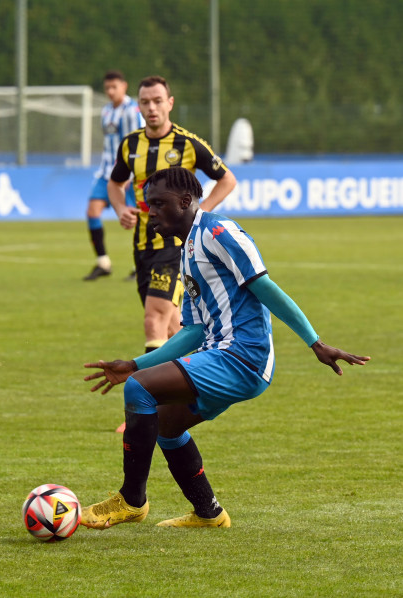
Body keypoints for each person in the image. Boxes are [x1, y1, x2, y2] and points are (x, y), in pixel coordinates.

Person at [80, 167, 369, 530]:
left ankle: (131, 500)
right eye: (148, 205)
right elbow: (194, 331)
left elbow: (267, 289)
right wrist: (135, 363)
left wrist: (316, 342)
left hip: (243, 356)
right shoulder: (187, 252)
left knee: (141, 390)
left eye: (158, 204)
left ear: (185, 201)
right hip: (219, 354)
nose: (151, 213)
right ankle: (209, 514)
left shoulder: (219, 232)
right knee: (168, 425)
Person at [108, 75, 238, 357]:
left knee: (153, 318)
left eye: (157, 101)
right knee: (171, 328)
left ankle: (151, 394)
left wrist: (200, 213)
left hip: (176, 246)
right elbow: (115, 183)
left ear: (170, 103)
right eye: (145, 102)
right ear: (138, 107)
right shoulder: (130, 145)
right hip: (143, 245)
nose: (151, 107)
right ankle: (196, 383)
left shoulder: (188, 144)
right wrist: (120, 208)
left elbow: (227, 179)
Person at [83, 70, 145, 281]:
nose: (110, 91)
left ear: (124, 86)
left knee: (135, 218)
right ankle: (103, 263)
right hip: (105, 172)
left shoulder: (132, 111)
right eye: (107, 88)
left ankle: (142, 265)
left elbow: (137, 141)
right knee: (92, 211)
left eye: (114, 87)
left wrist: (130, 172)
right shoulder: (106, 111)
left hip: (126, 173)